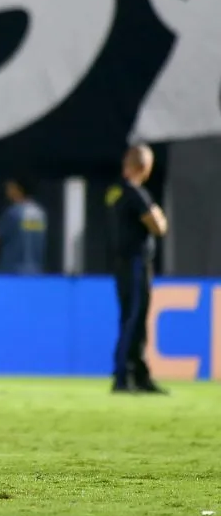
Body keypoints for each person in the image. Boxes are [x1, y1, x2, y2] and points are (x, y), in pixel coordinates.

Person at [106, 144, 168, 394]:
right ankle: (124, 375)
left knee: (134, 316)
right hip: (135, 262)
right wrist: (158, 214)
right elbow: (158, 227)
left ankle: (139, 374)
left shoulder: (114, 191)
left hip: (121, 261)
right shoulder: (136, 193)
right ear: (144, 167)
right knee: (134, 317)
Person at [0, 179, 46, 274]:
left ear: (18, 189)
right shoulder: (40, 213)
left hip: (13, 270)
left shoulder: (12, 213)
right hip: (35, 270)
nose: (7, 192)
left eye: (10, 188)